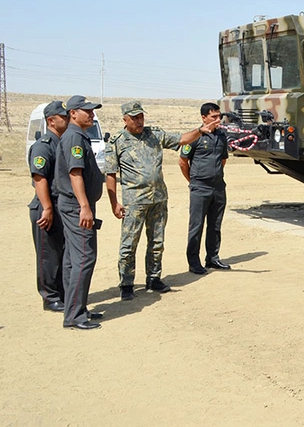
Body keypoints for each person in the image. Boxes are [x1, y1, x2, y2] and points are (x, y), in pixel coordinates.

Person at [105, 101, 220, 300]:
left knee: (157, 242)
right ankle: (126, 283)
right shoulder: (117, 142)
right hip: (134, 202)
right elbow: (110, 174)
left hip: (158, 199)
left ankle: (154, 277)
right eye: (134, 118)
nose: (139, 121)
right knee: (129, 245)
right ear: (125, 120)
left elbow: (182, 139)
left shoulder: (154, 135)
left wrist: (200, 131)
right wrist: (114, 202)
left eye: (141, 116)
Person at [54, 95, 106, 330]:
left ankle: (75, 307)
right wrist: (84, 206)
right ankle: (74, 315)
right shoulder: (74, 137)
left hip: (75, 204)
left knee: (72, 260)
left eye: (92, 110)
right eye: (87, 110)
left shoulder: (77, 135)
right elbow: (75, 174)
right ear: (73, 113)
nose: (92, 114)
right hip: (77, 206)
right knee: (85, 257)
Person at [179, 102, 231, 274]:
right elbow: (183, 162)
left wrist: (215, 176)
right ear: (203, 118)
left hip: (218, 187)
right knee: (196, 225)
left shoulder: (222, 136)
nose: (217, 120)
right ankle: (194, 261)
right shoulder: (195, 137)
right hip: (200, 187)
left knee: (215, 225)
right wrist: (193, 181)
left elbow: (223, 159)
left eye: (219, 117)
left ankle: (213, 258)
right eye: (213, 117)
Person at [28, 100, 69, 312]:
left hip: (60, 205)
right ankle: (49, 296)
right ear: (51, 121)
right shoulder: (43, 146)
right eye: (63, 117)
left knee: (61, 252)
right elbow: (39, 178)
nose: (67, 119)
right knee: (48, 254)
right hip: (47, 206)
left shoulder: (63, 142)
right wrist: (47, 208)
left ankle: (61, 293)